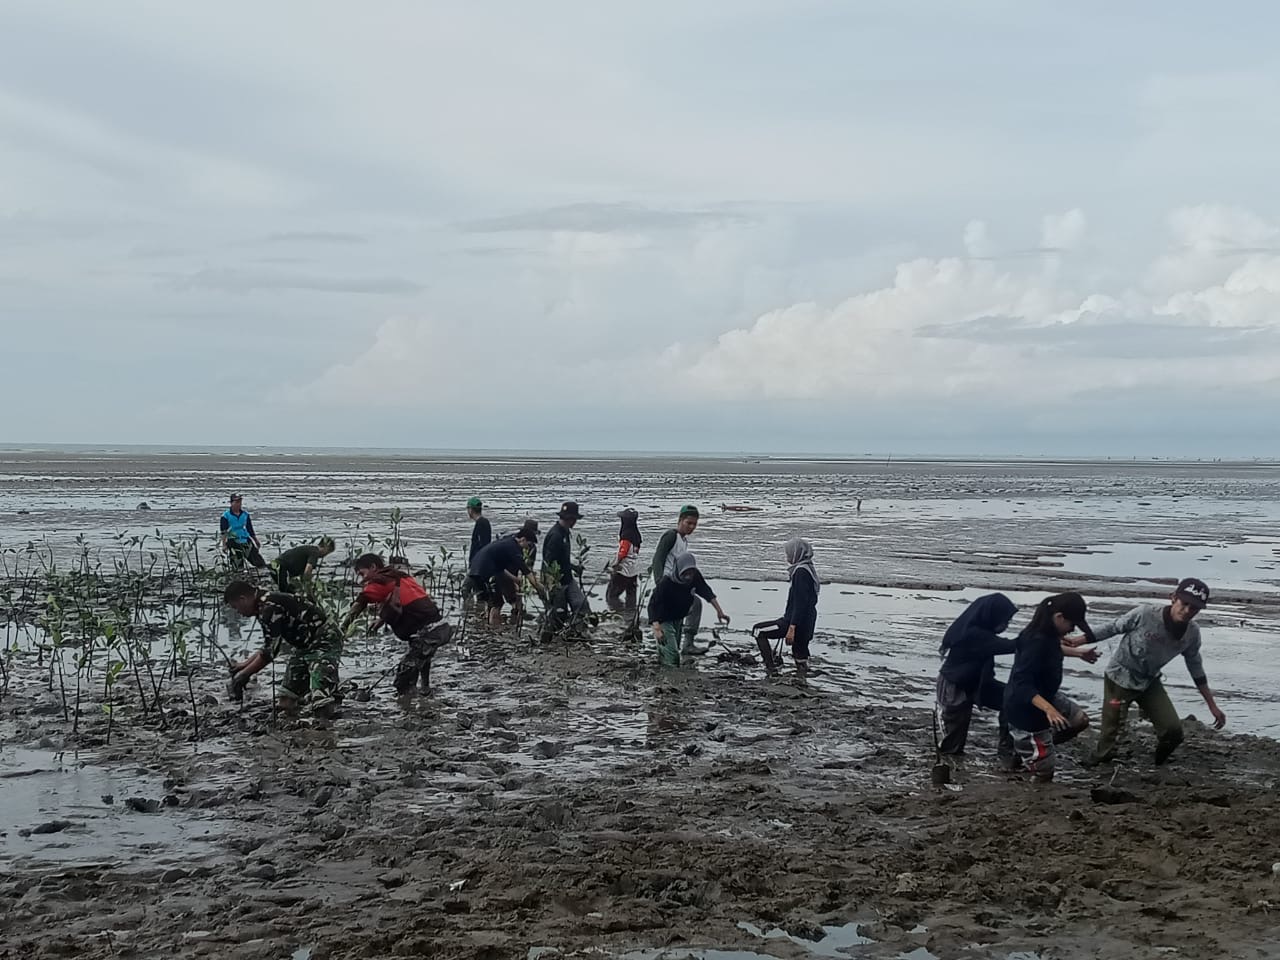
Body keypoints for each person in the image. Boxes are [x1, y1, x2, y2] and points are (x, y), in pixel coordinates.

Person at [1088, 578, 1225, 766]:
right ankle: (1094, 765)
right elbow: (1113, 627)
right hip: (1119, 676)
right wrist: (1080, 640)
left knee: (1173, 731)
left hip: (1149, 681)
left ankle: (1157, 764)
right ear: (1173, 598)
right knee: (1111, 735)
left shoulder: (1192, 634)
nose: (1187, 611)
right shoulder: (1146, 614)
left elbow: (1195, 667)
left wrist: (1212, 705)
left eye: (1194, 608)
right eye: (1184, 604)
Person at [1003, 592, 1099, 782]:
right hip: (1026, 708)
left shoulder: (1048, 634)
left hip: (1048, 695)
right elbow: (1022, 684)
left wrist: (1079, 653)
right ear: (1059, 617)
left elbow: (1053, 648)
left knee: (1079, 720)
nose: (1071, 630)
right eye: (1072, 625)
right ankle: (1031, 756)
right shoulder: (1034, 640)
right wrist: (1049, 710)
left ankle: (1032, 749)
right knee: (1045, 773)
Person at [223, 581, 342, 710]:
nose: (238, 612)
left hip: (325, 641)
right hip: (303, 647)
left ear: (243, 599)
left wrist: (244, 675)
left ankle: (330, 714)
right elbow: (269, 645)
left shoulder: (269, 607)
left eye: (236, 607)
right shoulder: (261, 604)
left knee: (321, 700)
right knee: (286, 700)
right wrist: (244, 665)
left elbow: (271, 653)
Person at [341, 554, 446, 695]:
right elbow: (403, 598)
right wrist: (382, 619)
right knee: (422, 655)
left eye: (362, 573)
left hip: (426, 632)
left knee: (403, 678)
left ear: (373, 567)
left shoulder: (380, 580)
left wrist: (343, 627)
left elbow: (360, 603)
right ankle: (425, 688)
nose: (362, 579)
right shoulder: (400, 576)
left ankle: (409, 702)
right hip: (439, 626)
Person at [934, 593, 1018, 762]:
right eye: (1005, 621)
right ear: (992, 617)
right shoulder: (975, 635)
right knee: (953, 744)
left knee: (1012, 700)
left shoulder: (972, 629)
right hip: (955, 686)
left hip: (978, 683)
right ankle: (949, 764)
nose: (1006, 625)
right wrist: (1039, 637)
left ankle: (1007, 750)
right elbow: (1011, 646)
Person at [751, 538, 820, 674]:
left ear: (797, 554)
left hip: (794, 622)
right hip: (808, 621)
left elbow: (800, 603)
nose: (787, 556)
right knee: (800, 656)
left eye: (789, 553)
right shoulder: (809, 569)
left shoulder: (800, 572)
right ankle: (802, 673)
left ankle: (771, 668)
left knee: (758, 631)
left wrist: (792, 627)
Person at [648, 552, 730, 667]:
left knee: (672, 647)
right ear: (678, 570)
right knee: (673, 657)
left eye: (690, 573)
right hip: (663, 620)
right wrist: (656, 627)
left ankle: (673, 653)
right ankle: (669, 672)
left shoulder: (694, 577)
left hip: (678, 617)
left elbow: (706, 592)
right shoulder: (666, 583)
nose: (688, 577)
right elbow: (653, 604)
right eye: (685, 573)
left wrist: (719, 611)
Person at [650, 505, 705, 656]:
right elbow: (657, 559)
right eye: (689, 523)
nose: (691, 527)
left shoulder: (684, 541)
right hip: (667, 584)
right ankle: (684, 645)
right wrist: (659, 582)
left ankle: (683, 644)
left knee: (686, 610)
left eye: (694, 524)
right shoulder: (670, 536)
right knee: (692, 605)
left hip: (677, 585)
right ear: (680, 520)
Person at [467, 526, 539, 627]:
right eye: (529, 544)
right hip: (483, 572)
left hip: (477, 569)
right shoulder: (514, 549)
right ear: (523, 540)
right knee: (497, 603)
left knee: (492, 601)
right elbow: (526, 571)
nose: (528, 548)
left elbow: (501, 569)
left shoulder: (507, 542)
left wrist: (514, 579)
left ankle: (489, 625)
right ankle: (494, 628)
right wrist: (539, 588)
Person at [542, 501, 590, 634]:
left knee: (581, 605)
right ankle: (555, 636)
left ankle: (577, 632)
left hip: (567, 578)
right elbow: (549, 562)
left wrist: (574, 567)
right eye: (574, 519)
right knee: (559, 613)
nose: (575, 522)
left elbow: (563, 560)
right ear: (570, 519)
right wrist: (552, 584)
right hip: (556, 581)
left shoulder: (565, 532)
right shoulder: (556, 536)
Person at [606, 509, 643, 612]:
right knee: (631, 598)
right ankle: (630, 616)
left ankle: (618, 613)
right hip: (633, 571)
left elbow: (622, 553)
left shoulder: (626, 536)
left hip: (622, 571)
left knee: (611, 597)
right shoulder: (637, 536)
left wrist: (614, 565)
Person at [220, 494, 266, 569]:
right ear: (231, 503)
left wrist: (256, 540)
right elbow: (224, 531)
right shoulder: (225, 516)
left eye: (240, 502)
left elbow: (250, 529)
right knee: (237, 566)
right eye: (236, 502)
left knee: (260, 563)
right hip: (233, 541)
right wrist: (224, 544)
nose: (238, 504)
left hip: (245, 540)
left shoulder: (245, 515)